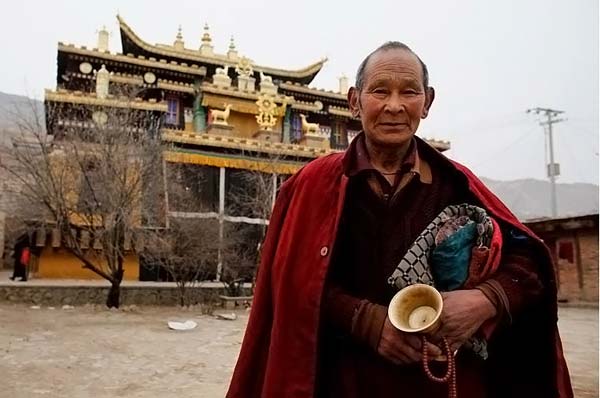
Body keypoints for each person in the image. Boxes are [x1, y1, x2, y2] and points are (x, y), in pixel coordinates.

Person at [226, 42, 573, 398]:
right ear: (354, 100)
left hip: (441, 381)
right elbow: (291, 282)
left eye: (409, 91)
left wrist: (486, 299)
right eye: (379, 91)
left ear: (427, 102)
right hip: (344, 380)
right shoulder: (311, 185)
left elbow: (529, 259)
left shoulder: (456, 184)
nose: (394, 105)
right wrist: (367, 322)